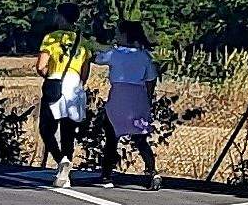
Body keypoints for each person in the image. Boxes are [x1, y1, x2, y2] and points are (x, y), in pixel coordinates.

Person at [96, 19, 162, 188]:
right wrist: (147, 98)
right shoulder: (144, 56)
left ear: (125, 35)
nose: (116, 35)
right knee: (140, 138)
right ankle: (152, 171)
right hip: (138, 97)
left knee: (111, 135)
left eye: (118, 32)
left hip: (119, 95)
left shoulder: (114, 54)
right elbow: (151, 79)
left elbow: (97, 58)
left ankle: (106, 175)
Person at [37, 25, 95, 185]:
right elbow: (85, 72)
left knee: (46, 128)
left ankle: (60, 159)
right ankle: (65, 175)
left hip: (56, 82)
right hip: (74, 85)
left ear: (61, 18)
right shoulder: (82, 42)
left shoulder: (51, 38)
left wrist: (50, 74)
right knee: (68, 131)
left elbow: (41, 67)